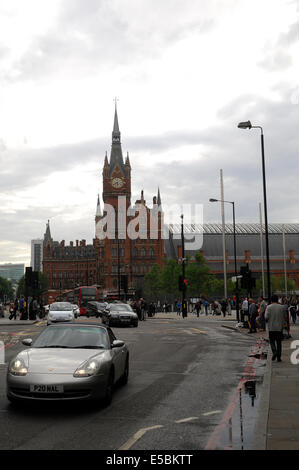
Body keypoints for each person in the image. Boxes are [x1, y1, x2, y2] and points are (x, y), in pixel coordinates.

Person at [265, 294, 286, 362]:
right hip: (279, 328)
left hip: (271, 328)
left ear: (271, 300)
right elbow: (285, 317)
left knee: (272, 341)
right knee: (279, 343)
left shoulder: (268, 307)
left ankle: (274, 352)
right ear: (277, 299)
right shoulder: (282, 307)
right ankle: (279, 357)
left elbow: (266, 317)